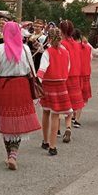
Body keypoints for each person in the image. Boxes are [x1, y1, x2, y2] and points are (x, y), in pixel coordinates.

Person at [0, 21, 41, 170]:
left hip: (3, 87)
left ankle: (9, 155)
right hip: (22, 87)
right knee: (18, 121)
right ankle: (13, 154)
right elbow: (31, 70)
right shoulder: (25, 49)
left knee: (6, 121)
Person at [37, 28, 71, 156]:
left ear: (49, 39)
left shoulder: (47, 52)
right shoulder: (66, 52)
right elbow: (68, 68)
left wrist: (37, 81)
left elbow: (42, 69)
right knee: (56, 114)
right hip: (61, 84)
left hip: (48, 85)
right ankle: (53, 145)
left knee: (46, 112)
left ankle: (46, 141)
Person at [58, 20, 84, 140]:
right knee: (70, 104)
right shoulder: (76, 44)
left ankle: (57, 129)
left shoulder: (61, 43)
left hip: (64, 76)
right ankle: (68, 127)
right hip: (75, 76)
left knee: (58, 103)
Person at [74, 28, 92, 128]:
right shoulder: (87, 47)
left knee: (73, 95)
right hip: (85, 73)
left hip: (74, 73)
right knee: (81, 97)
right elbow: (91, 58)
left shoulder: (72, 46)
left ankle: (72, 115)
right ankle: (77, 119)